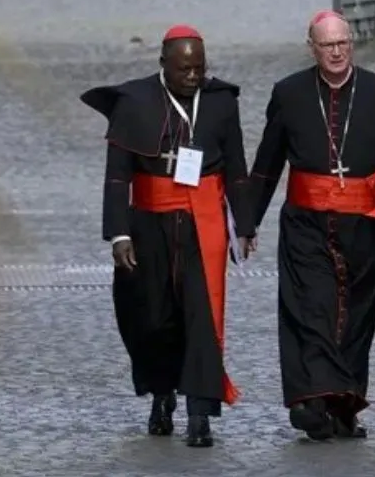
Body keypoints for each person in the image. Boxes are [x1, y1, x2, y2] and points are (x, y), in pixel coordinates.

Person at [249, 10, 375, 441]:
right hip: (305, 224)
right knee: (311, 309)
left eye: (343, 43)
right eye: (328, 45)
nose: (338, 51)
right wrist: (247, 222)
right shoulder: (289, 94)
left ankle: (345, 407)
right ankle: (310, 401)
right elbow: (267, 165)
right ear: (312, 48)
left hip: (364, 225)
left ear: (351, 45)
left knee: (357, 317)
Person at [80, 24, 256, 448]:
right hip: (148, 224)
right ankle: (162, 396)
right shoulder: (134, 101)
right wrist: (118, 234)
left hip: (202, 222)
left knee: (202, 314)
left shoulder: (220, 102)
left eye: (199, 68)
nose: (193, 77)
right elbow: (118, 177)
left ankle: (200, 413)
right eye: (184, 69)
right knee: (153, 317)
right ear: (164, 65)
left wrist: (245, 226)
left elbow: (235, 166)